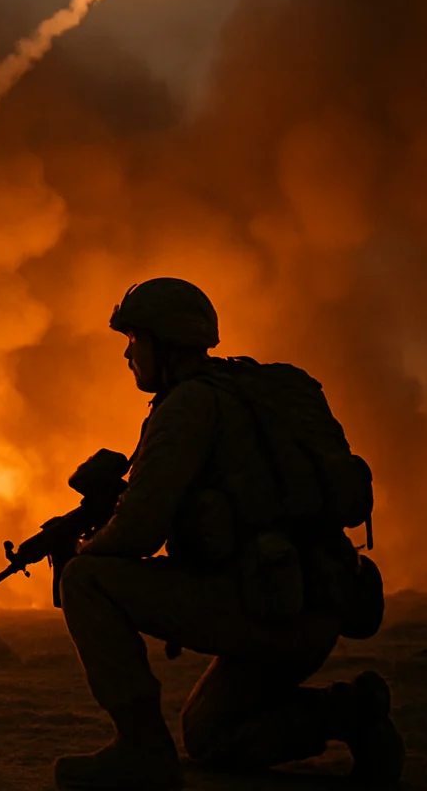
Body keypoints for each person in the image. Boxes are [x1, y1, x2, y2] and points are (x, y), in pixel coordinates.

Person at [54, 277, 403, 789]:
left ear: (165, 342)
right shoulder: (253, 391)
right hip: (314, 604)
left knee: (85, 579)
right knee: (210, 735)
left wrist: (82, 547)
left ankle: (141, 749)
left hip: (263, 607)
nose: (128, 354)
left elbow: (137, 531)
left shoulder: (189, 406)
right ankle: (353, 713)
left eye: (134, 339)